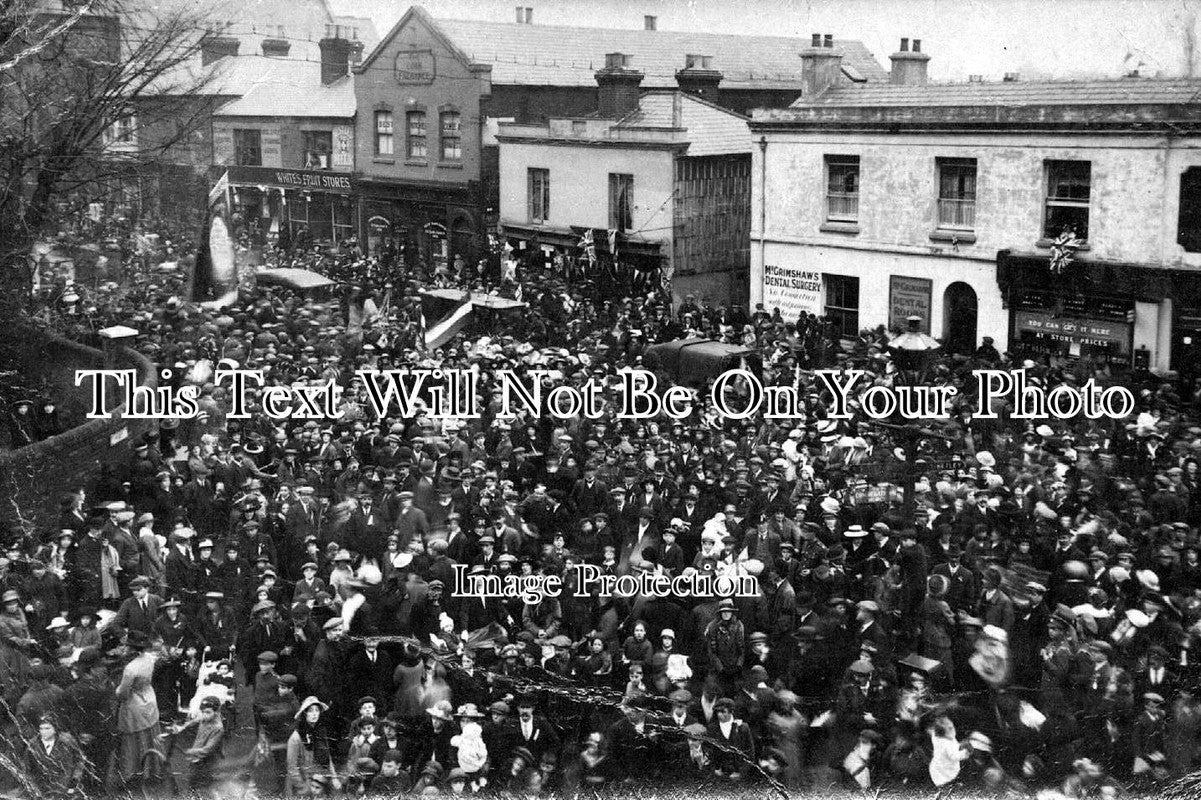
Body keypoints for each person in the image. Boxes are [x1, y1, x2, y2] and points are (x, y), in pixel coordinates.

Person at [115, 629, 163, 784]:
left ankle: (134, 772)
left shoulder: (130, 668)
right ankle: (153, 769)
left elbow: (123, 693)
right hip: (149, 697)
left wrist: (116, 691)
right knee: (150, 735)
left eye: (127, 646)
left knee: (134, 740)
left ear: (132, 649)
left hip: (134, 704)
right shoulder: (149, 658)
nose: (125, 648)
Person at [287, 696, 338, 797]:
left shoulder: (320, 732)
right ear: (305, 713)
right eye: (310, 711)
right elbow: (292, 769)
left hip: (319, 780)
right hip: (301, 784)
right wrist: (304, 788)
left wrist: (334, 777)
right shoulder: (296, 738)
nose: (314, 714)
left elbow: (328, 757)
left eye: (317, 710)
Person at [24, 714, 84, 799]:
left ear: (55, 729)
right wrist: (34, 789)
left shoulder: (67, 741)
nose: (44, 732)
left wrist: (74, 780)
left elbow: (79, 761)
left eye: (47, 728)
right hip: (42, 790)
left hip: (64, 788)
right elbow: (28, 769)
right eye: (41, 728)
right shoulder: (33, 744)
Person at [173, 696, 225, 795]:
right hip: (197, 754)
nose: (204, 715)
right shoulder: (205, 717)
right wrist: (182, 727)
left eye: (208, 712)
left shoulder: (218, 728)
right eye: (203, 712)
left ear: (217, 712)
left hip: (208, 760)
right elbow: (196, 720)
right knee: (193, 780)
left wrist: (191, 751)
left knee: (204, 783)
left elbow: (208, 749)